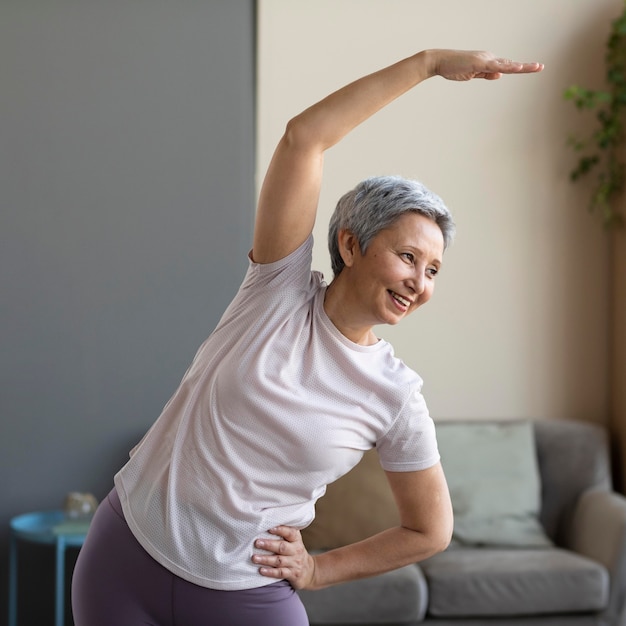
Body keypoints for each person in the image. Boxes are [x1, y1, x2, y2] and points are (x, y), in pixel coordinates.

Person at [72, 48, 543, 626]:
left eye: (434, 270)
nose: (420, 282)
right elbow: (304, 138)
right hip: (125, 556)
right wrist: (425, 66)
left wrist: (320, 570)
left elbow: (430, 530)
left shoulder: (395, 396)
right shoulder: (275, 290)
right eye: (408, 256)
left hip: (243, 591)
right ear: (350, 244)